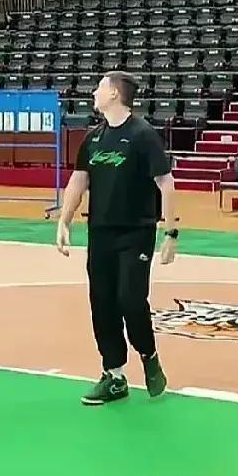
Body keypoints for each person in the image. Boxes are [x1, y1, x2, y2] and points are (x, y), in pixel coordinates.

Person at [57, 70, 178, 406]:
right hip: (100, 232)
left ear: (114, 93)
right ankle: (114, 375)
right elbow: (79, 180)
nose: (94, 92)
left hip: (136, 232)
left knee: (130, 299)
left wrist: (171, 232)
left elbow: (166, 184)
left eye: (99, 87)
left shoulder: (143, 135)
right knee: (102, 302)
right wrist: (64, 220)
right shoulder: (93, 138)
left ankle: (148, 354)